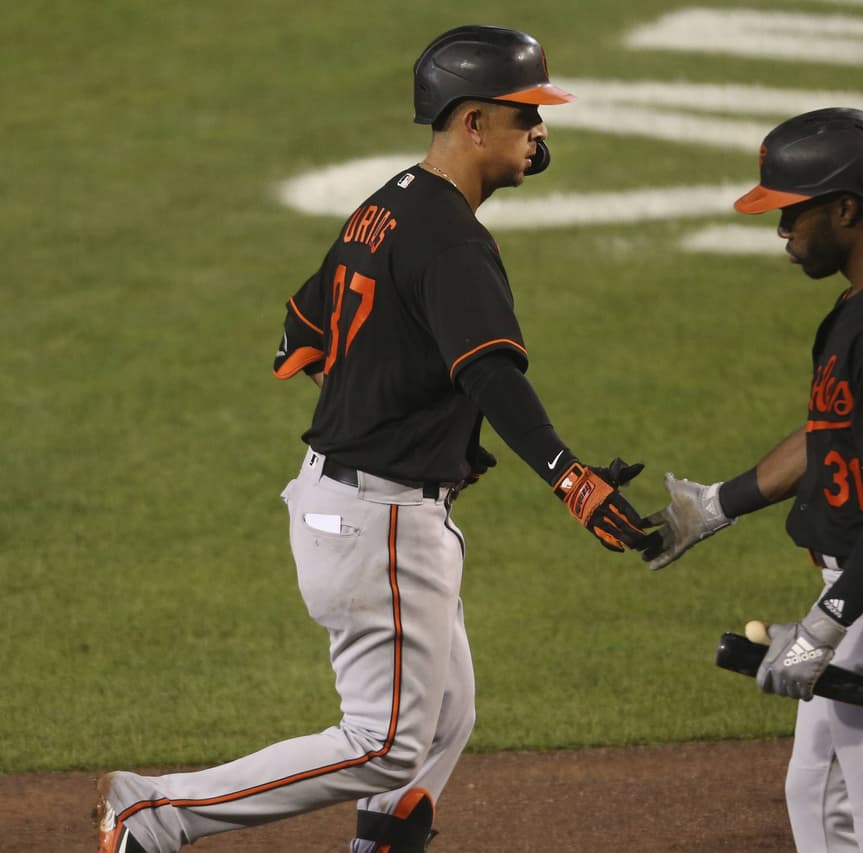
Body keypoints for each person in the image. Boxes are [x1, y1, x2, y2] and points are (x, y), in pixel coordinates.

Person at [97, 25, 654, 853]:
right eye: (525, 114)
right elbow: (491, 376)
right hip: (380, 520)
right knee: (384, 741)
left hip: (344, 499)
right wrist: (569, 477)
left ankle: (382, 842)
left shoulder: (387, 204)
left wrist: (392, 408)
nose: (540, 130)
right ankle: (158, 811)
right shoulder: (452, 238)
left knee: (445, 713)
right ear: (473, 122)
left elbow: (301, 334)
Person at [642, 108, 863, 852]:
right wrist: (717, 505)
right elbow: (835, 432)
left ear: (846, 209)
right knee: (822, 798)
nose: (781, 229)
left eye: (793, 212)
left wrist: (823, 627)